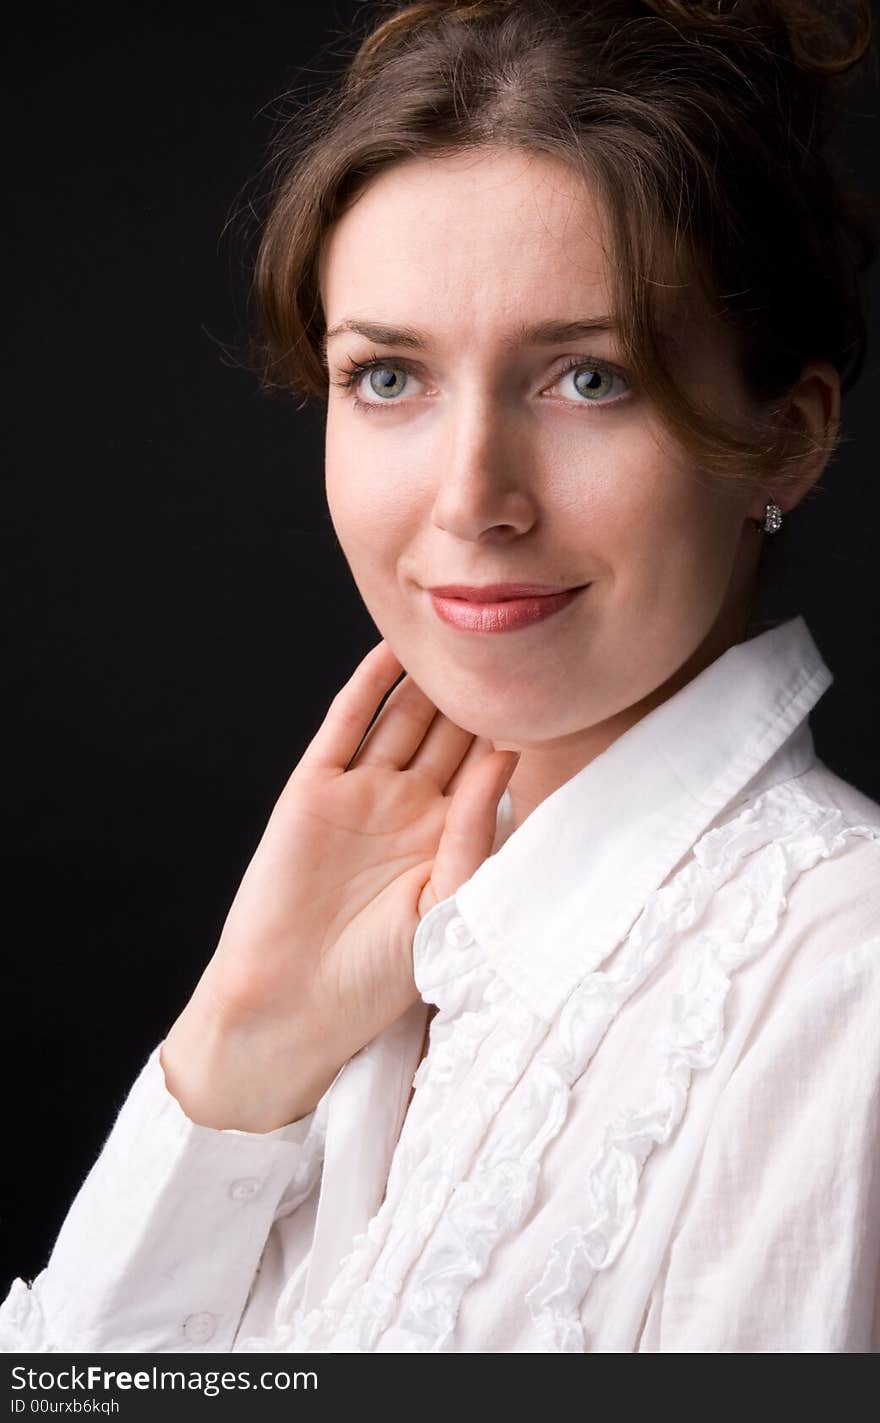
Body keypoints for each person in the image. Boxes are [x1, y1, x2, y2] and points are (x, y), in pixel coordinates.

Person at [3, 0, 880, 1354]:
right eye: (390, 376)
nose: (472, 501)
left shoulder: (848, 992)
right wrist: (237, 1055)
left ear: (788, 437)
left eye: (591, 377)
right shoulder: (356, 958)